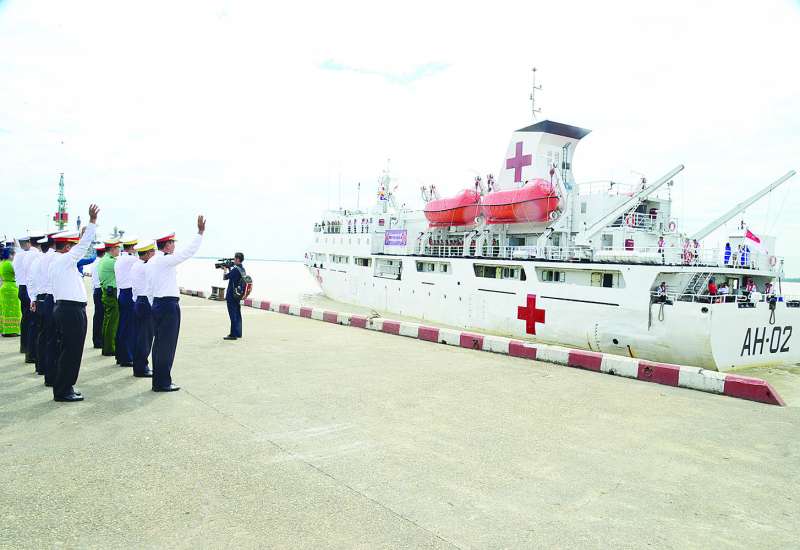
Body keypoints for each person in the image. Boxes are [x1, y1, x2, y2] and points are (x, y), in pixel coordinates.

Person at [148, 217, 206, 392]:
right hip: (168, 306)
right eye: (172, 243)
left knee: (159, 344)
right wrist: (200, 233)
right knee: (166, 345)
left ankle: (159, 380)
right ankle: (162, 382)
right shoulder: (164, 260)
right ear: (166, 245)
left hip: (158, 303)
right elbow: (187, 253)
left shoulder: (153, 261)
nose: (174, 246)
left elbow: (149, 287)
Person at [50, 205, 99, 402]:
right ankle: (63, 390)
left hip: (67, 309)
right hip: (70, 310)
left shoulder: (59, 261)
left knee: (68, 350)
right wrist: (92, 222)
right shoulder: (64, 260)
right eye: (73, 245)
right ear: (68, 247)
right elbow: (84, 245)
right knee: (71, 351)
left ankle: (65, 386)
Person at [30, 232, 59, 384]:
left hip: (40, 298)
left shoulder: (37, 261)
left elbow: (31, 281)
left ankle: (40, 366)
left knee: (42, 335)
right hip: (51, 299)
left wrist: (33, 299)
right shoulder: (55, 258)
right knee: (52, 338)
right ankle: (49, 371)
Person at [18, 231, 45, 363]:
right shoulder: (36, 255)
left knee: (27, 321)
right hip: (32, 291)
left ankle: (26, 349)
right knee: (34, 323)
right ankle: (32, 353)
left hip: (24, 288)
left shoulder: (23, 255)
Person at [131, 241, 155, 378]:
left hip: (139, 301)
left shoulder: (136, 265)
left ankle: (139, 366)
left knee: (139, 336)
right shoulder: (146, 267)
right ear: (147, 254)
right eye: (152, 252)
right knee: (145, 338)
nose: (154, 254)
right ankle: (141, 368)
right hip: (145, 302)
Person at [114, 237, 139, 367]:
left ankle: (120, 355)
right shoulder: (131, 259)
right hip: (128, 293)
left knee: (123, 325)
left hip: (123, 293)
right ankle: (127, 357)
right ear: (133, 247)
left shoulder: (120, 259)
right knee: (129, 327)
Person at [98, 238, 121, 357]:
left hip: (107, 292)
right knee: (112, 321)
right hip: (111, 293)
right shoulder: (111, 262)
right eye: (117, 248)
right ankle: (110, 348)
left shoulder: (104, 259)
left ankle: (106, 346)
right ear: (112, 249)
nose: (119, 250)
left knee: (108, 321)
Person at [222, 252, 245, 340]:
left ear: (238, 259)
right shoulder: (242, 269)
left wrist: (225, 269)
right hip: (238, 295)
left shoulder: (235, 270)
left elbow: (225, 277)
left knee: (233, 315)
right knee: (237, 314)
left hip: (232, 295)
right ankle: (238, 333)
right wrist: (229, 268)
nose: (234, 260)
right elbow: (234, 277)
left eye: (234, 258)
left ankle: (233, 335)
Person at [1, 246, 21, 337]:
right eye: (13, 254)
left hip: (4, 286)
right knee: (14, 310)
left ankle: (5, 330)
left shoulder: (2, 263)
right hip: (11, 288)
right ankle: (12, 330)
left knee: (5, 310)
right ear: (9, 255)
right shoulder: (10, 264)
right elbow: (18, 273)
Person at [90, 244, 106, 348]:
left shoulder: (95, 262)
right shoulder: (101, 263)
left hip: (96, 290)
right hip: (101, 289)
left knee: (98, 316)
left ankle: (97, 339)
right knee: (101, 316)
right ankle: (99, 340)